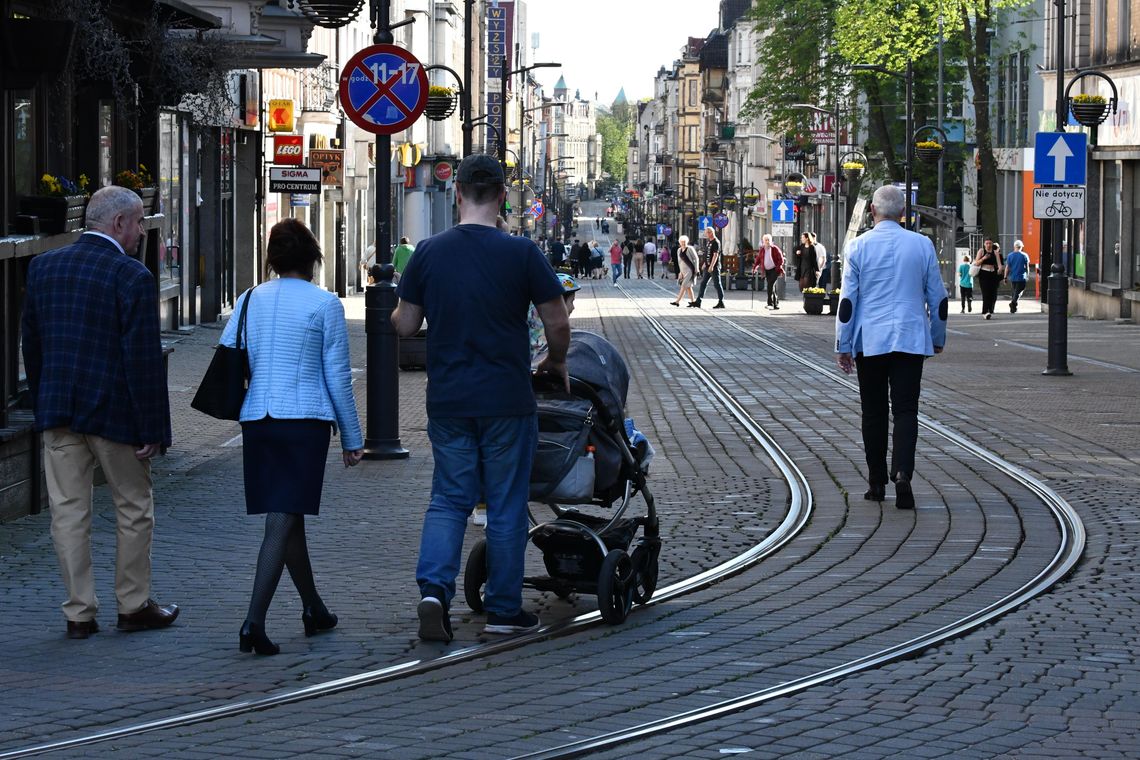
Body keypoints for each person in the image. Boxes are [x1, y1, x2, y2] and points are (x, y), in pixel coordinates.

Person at [392, 154, 570, 642]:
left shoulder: (429, 252)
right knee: (506, 504)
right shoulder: (522, 253)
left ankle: (434, 593)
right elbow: (557, 321)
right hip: (507, 399)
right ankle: (504, 609)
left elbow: (406, 325)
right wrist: (556, 361)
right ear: (502, 197)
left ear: (457, 194)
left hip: (449, 400)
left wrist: (397, 313)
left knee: (449, 499)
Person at [21, 185, 178, 640]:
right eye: (138, 223)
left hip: (58, 411)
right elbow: (142, 361)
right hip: (114, 415)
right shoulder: (131, 276)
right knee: (133, 508)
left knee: (67, 513)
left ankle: (79, 614)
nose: (141, 233)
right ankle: (133, 605)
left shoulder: (43, 267)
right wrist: (153, 429)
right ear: (119, 223)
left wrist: (44, 398)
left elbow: (32, 343)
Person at [221, 219, 364, 656]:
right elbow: (337, 377)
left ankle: (313, 608)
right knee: (281, 518)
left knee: (290, 515)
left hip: (258, 420)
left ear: (273, 260)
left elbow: (230, 351)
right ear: (314, 259)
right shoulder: (325, 304)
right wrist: (352, 437)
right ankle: (253, 622)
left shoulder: (249, 299)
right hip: (303, 421)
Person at [836, 185, 948, 511]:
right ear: (903, 213)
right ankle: (902, 472)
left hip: (869, 340)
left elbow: (847, 301)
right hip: (911, 339)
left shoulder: (858, 246)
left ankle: (875, 481)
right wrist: (937, 337)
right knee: (906, 409)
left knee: (873, 411)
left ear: (872, 211)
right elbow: (938, 298)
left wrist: (843, 344)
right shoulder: (922, 245)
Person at [692, 226, 725, 309]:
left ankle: (721, 302)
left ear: (711, 233)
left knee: (717, 284)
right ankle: (698, 301)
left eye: (706, 233)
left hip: (714, 267)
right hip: (707, 266)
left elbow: (715, 255)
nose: (705, 234)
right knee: (703, 283)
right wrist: (705, 264)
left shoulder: (716, 242)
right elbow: (707, 254)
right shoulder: (709, 242)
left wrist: (712, 266)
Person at [752, 234, 785, 309]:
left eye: (768, 240)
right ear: (763, 241)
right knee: (772, 286)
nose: (767, 242)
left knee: (770, 285)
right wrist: (754, 268)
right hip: (767, 271)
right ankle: (775, 304)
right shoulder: (762, 250)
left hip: (774, 270)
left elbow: (781, 259)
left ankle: (770, 303)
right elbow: (758, 260)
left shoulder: (775, 249)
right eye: (766, 240)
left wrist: (778, 267)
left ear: (771, 241)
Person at [973, 238, 1003, 319]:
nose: (988, 245)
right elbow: (976, 263)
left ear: (992, 244)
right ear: (984, 244)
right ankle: (985, 312)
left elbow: (999, 264)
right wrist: (983, 258)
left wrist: (1000, 269)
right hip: (984, 274)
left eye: (990, 243)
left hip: (993, 273)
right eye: (987, 243)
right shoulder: (981, 251)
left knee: (993, 294)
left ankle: (990, 309)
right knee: (986, 293)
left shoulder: (995, 252)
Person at [1005, 240, 1030, 313]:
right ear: (1021, 247)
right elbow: (1027, 267)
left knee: (1014, 292)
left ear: (1014, 246)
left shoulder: (1010, 255)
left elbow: (1007, 267)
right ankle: (1012, 303)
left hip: (1013, 277)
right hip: (1021, 277)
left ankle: (1013, 309)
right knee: (1019, 291)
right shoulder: (1024, 255)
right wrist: (1027, 275)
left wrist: (1005, 277)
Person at [673, 235, 699, 306]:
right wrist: (680, 272)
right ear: (680, 242)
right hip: (683, 271)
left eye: (684, 242)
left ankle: (677, 301)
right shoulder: (679, 250)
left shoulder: (690, 248)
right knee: (688, 287)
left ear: (687, 242)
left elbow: (696, 258)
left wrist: (696, 269)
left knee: (683, 285)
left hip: (690, 269)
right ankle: (693, 302)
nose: (683, 243)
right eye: (682, 242)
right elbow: (679, 262)